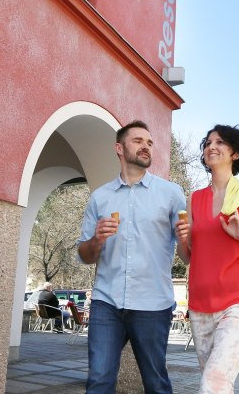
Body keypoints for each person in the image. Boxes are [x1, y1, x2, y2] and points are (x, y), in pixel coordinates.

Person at [77, 120, 185, 394]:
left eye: (149, 142)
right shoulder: (100, 198)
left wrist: (189, 235)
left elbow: (187, 252)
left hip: (153, 304)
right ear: (119, 148)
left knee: (156, 383)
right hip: (106, 303)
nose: (146, 146)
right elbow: (84, 255)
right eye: (138, 141)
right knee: (99, 380)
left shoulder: (171, 194)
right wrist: (97, 239)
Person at [175, 124, 239, 394]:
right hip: (200, 306)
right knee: (217, 383)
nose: (211, 146)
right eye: (208, 143)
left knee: (214, 382)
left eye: (220, 142)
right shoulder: (195, 198)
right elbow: (188, 258)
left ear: (235, 153)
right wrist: (181, 237)